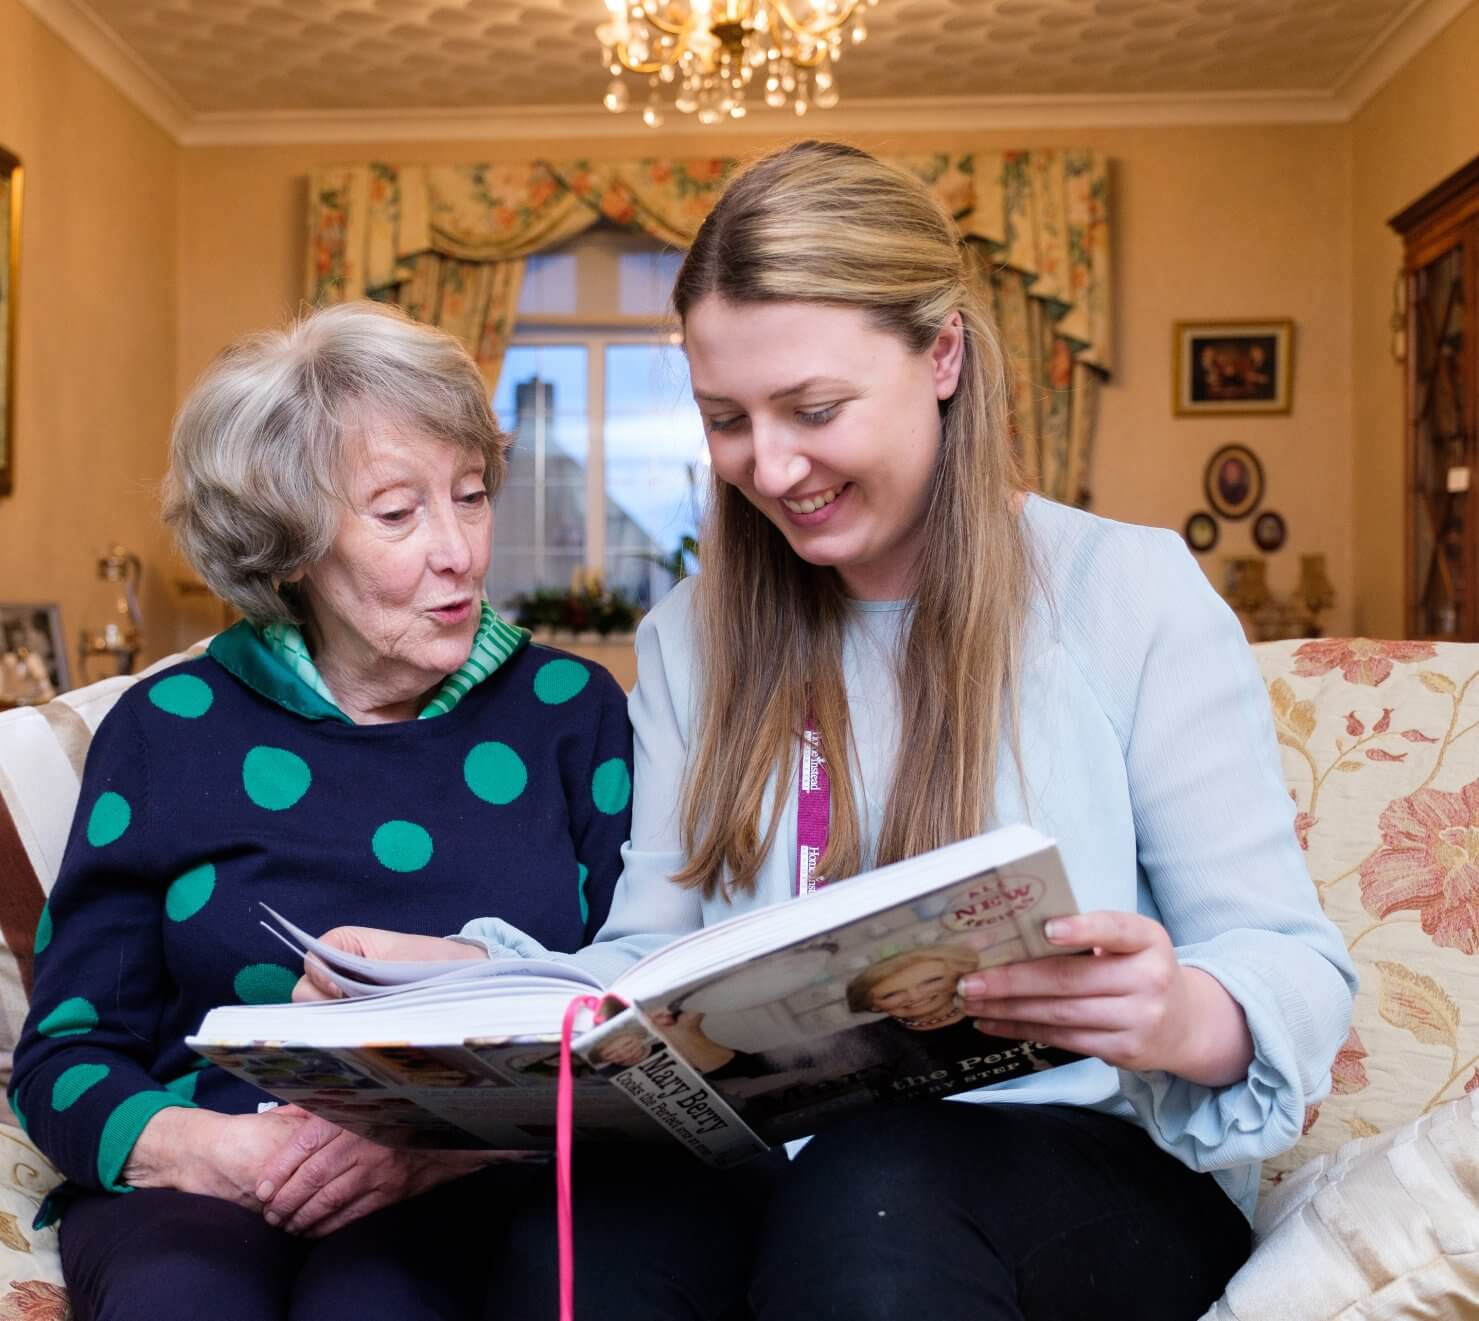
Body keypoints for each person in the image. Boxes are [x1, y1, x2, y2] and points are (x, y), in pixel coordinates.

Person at [303, 141, 1357, 1320]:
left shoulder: (1130, 593)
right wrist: (466, 981)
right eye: (726, 419)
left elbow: (1293, 962)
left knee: (877, 1180)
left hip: (1093, 1174)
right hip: (788, 1164)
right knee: (590, 1225)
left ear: (942, 353)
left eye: (813, 409)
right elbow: (645, 972)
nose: (772, 465)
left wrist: (1176, 1012)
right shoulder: (692, 636)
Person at [8, 302, 633, 1321]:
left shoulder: (570, 714)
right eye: (398, 514)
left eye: (471, 497)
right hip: (214, 1162)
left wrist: (435, 1145)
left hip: (479, 1178)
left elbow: (632, 1021)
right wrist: (227, 1152)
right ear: (289, 548)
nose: (460, 551)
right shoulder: (168, 728)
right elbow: (67, 1051)